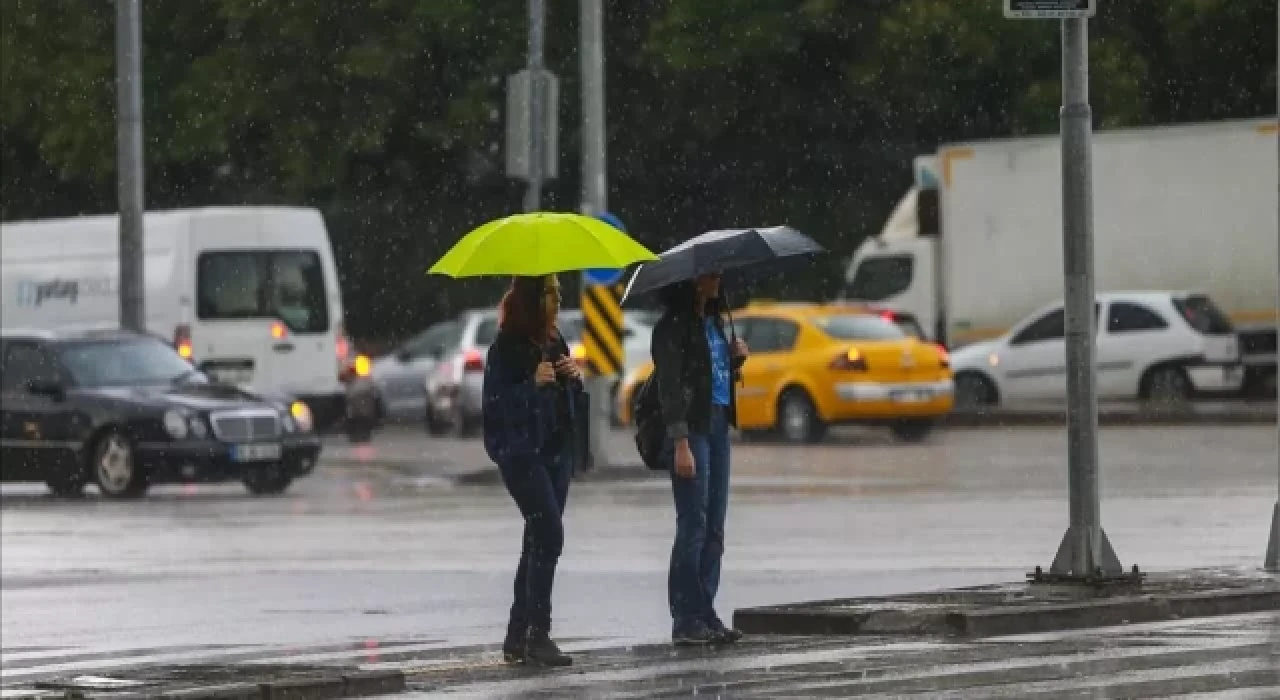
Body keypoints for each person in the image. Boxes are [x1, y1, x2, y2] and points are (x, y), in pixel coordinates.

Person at [481, 274, 584, 667]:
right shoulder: (505, 348)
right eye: (551, 297)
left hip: (556, 451)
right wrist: (531, 384)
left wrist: (572, 380)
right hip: (522, 454)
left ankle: (518, 634)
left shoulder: (555, 342)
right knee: (549, 534)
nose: (557, 305)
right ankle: (538, 633)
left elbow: (568, 403)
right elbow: (496, 407)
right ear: (533, 302)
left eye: (558, 297)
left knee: (537, 540)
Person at [649, 273, 749, 646]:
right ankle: (685, 617)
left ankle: (705, 611)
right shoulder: (672, 328)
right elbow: (671, 387)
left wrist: (734, 361)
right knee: (693, 523)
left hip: (718, 422)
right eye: (711, 273)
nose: (719, 278)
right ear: (692, 281)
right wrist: (680, 442)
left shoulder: (714, 322)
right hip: (692, 429)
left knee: (714, 527)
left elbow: (711, 376)